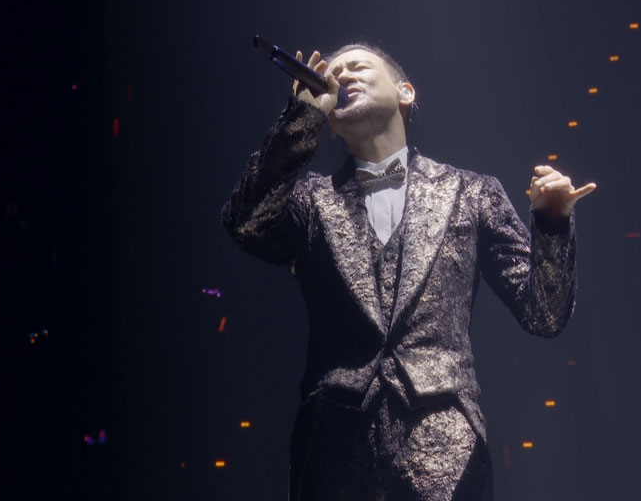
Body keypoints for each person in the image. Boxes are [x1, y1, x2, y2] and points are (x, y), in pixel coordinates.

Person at [221, 44, 596, 500]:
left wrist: (552, 225)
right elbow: (246, 222)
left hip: (446, 448)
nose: (343, 76)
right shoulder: (311, 201)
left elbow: (544, 315)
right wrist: (299, 120)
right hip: (334, 449)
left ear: (405, 92)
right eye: (334, 73)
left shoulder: (471, 192)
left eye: (358, 66)